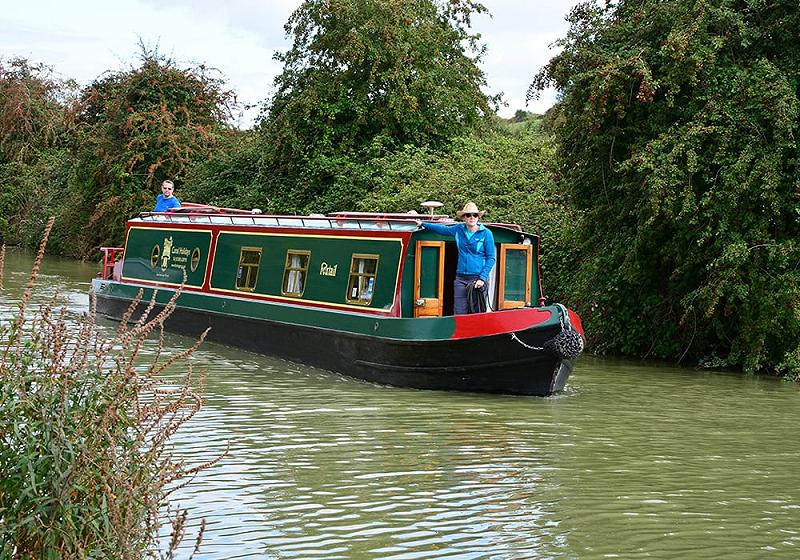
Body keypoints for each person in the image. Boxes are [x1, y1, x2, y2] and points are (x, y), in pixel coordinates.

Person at [419, 202, 496, 314]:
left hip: (477, 278)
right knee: (459, 310)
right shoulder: (458, 229)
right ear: (464, 217)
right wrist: (423, 224)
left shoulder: (486, 233)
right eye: (468, 215)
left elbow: (491, 258)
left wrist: (482, 278)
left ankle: (475, 331)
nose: (472, 218)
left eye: (475, 215)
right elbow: (442, 229)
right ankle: (459, 331)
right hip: (460, 277)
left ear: (478, 217)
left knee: (476, 310)